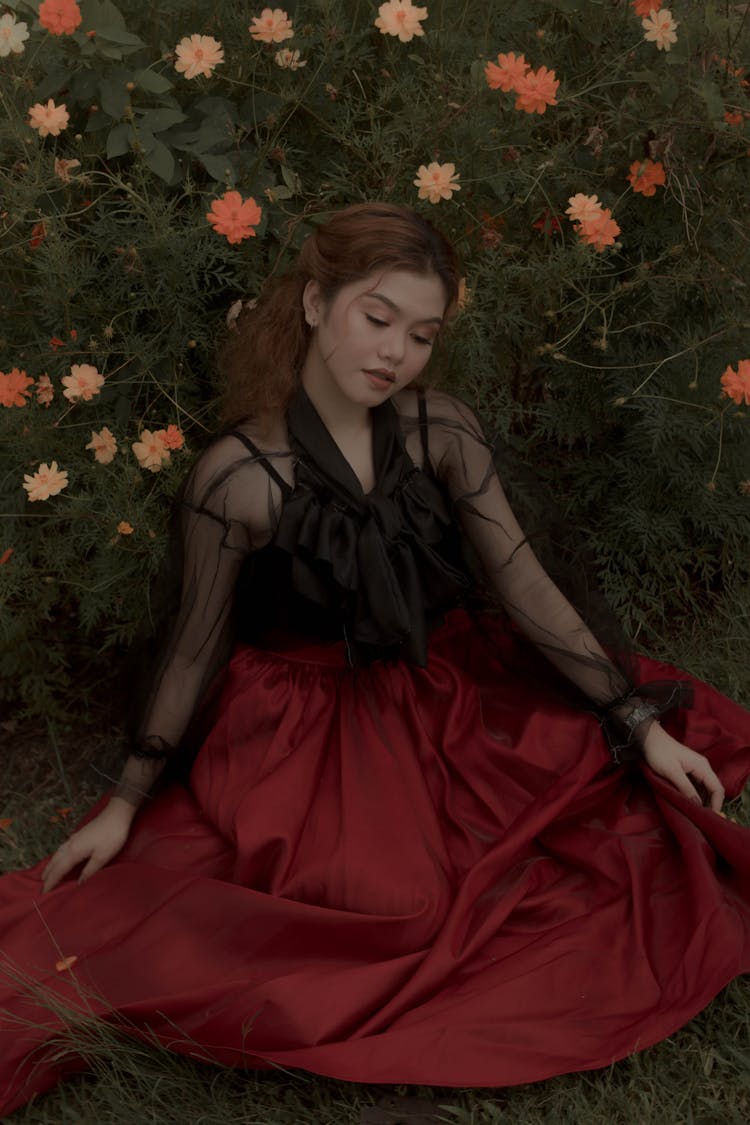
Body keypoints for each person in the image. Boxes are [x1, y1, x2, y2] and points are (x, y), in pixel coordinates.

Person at [1, 202, 749, 1115]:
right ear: (316, 304)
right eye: (377, 316)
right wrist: (126, 800)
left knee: (558, 829)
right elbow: (193, 646)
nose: (395, 352)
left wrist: (637, 722)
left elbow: (522, 581)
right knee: (392, 908)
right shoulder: (237, 476)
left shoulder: (440, 429)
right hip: (299, 723)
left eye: (421, 333)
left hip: (438, 685)